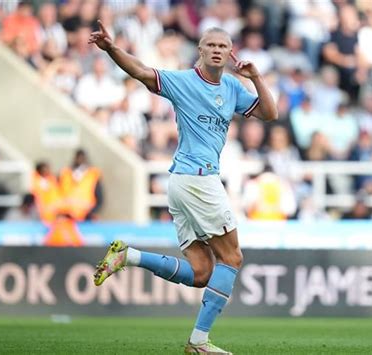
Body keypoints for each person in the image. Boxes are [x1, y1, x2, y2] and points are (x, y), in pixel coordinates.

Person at [89, 20, 277, 354]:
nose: (217, 51)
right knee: (231, 258)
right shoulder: (183, 81)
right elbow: (142, 72)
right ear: (200, 51)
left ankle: (127, 256)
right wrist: (112, 48)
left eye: (223, 46)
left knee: (203, 272)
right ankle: (199, 342)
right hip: (197, 179)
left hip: (183, 182)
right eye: (211, 45)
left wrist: (257, 78)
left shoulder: (233, 87)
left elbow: (269, 113)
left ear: (230, 52)